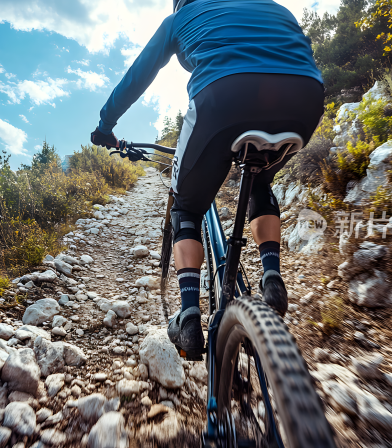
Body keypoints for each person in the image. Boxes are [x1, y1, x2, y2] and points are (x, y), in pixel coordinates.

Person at [90, 0, 325, 358]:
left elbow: (138, 75)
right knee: (260, 179)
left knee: (186, 207)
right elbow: (299, 49)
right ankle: (272, 277)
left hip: (224, 96)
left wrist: (106, 125)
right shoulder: (275, 7)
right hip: (305, 96)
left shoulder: (180, 17)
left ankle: (189, 316)